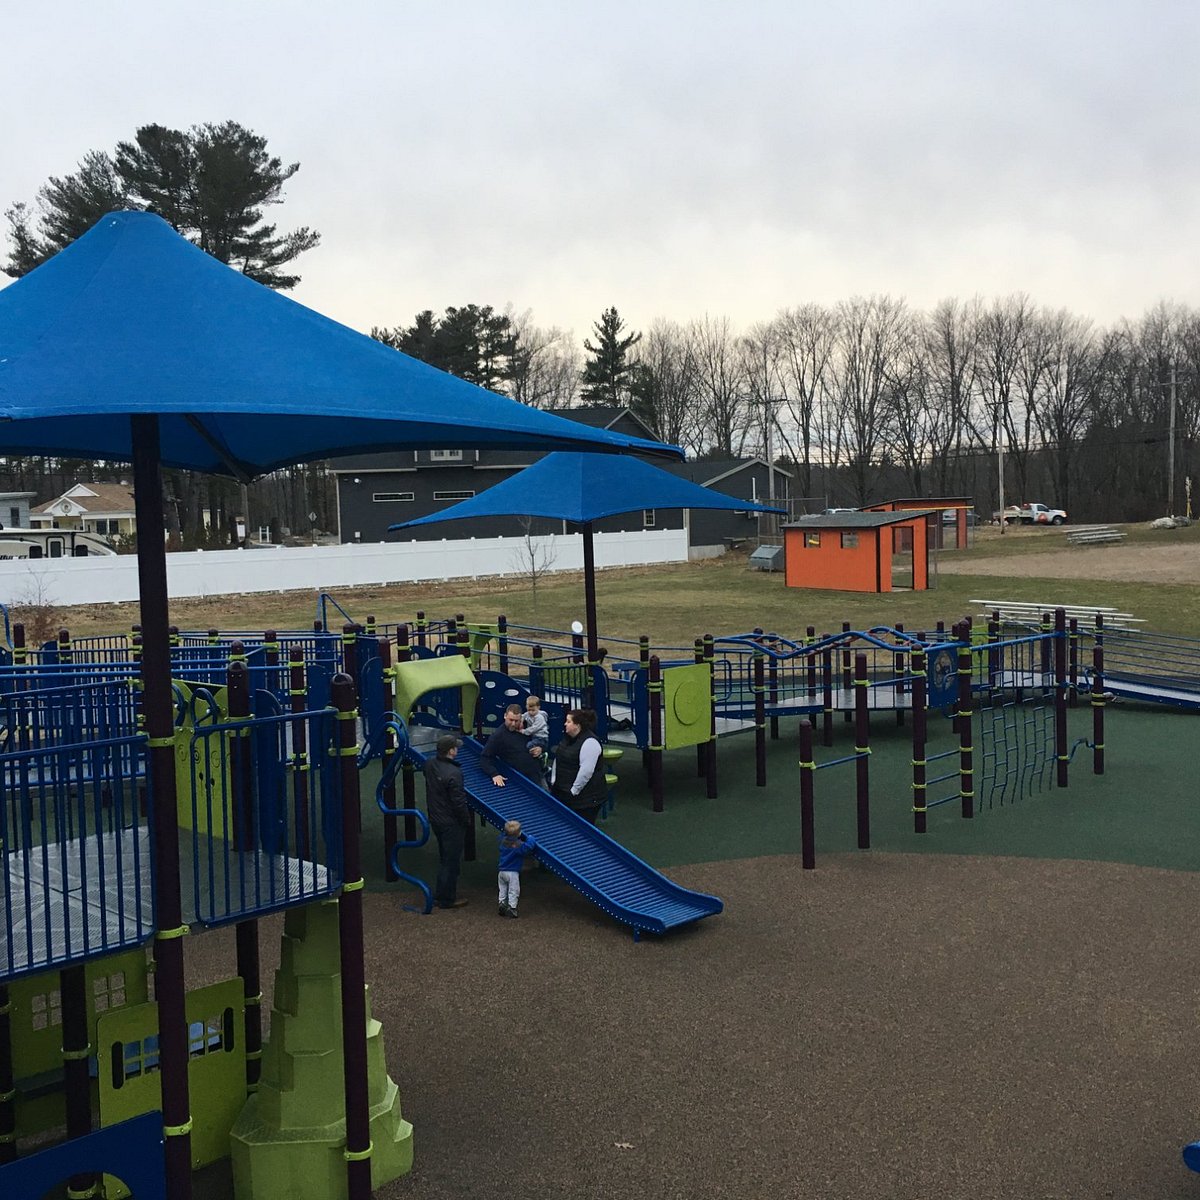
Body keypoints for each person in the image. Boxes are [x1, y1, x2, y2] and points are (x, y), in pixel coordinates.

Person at [423, 733, 471, 909]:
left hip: (436, 818)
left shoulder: (430, 764)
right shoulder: (454, 773)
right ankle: (446, 898)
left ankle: (442, 893)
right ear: (451, 751)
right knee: (450, 861)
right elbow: (458, 802)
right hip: (451, 822)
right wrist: (465, 819)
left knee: (445, 857)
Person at [550, 708, 606, 824]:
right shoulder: (567, 739)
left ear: (577, 725)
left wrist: (573, 791)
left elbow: (586, 772)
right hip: (563, 792)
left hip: (586, 800)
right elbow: (558, 759)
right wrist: (554, 781)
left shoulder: (590, 742)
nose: (565, 724)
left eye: (568, 721)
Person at [480, 704, 545, 788]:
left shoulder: (530, 726)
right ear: (505, 716)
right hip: (519, 780)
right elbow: (485, 757)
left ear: (521, 718)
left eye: (516, 721)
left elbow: (542, 739)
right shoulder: (498, 736)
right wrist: (494, 774)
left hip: (537, 774)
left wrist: (540, 748)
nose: (513, 724)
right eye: (511, 720)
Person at [496, 819, 538, 918]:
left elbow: (501, 835)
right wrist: (531, 838)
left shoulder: (502, 841)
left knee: (502, 889)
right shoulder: (518, 845)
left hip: (501, 871)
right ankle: (512, 908)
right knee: (513, 890)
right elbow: (528, 847)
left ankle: (502, 903)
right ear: (518, 833)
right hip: (512, 872)